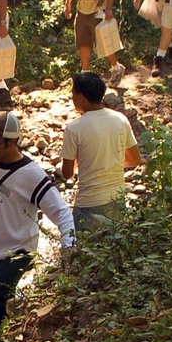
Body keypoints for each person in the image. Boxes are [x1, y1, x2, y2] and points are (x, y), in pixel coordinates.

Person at [0, 111, 75, 333]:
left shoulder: (31, 175)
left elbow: (61, 212)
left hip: (20, 249)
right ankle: (7, 336)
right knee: (2, 298)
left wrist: (69, 246)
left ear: (12, 142)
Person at [61, 73, 141, 231]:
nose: (72, 98)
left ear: (81, 97)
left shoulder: (74, 128)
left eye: (73, 94)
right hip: (116, 199)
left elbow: (66, 173)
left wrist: (82, 162)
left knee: (84, 251)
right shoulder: (120, 119)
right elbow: (134, 159)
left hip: (88, 203)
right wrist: (110, 162)